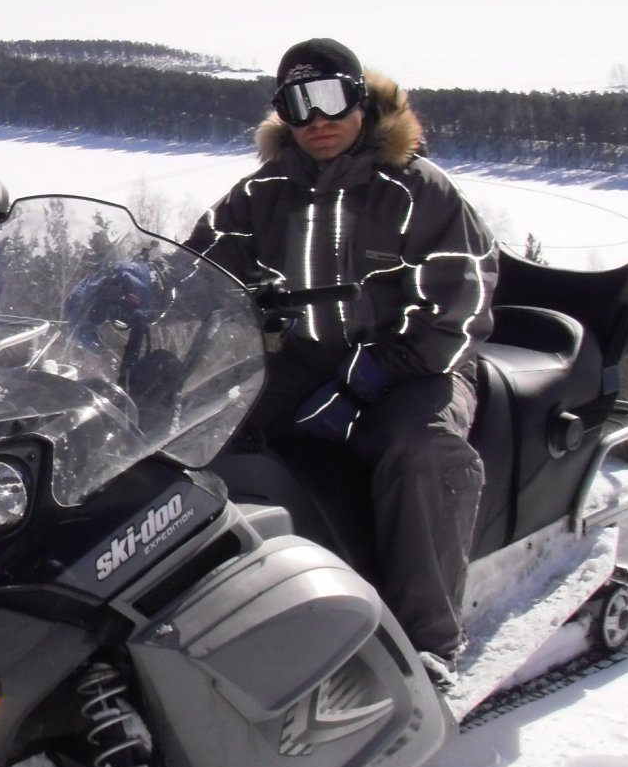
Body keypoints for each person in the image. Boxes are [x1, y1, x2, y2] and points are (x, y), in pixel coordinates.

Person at [187, 38, 497, 683]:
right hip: (304, 356)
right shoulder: (263, 191)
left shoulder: (415, 191)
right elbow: (198, 266)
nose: (317, 121)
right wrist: (134, 286)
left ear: (360, 99)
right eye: (298, 106)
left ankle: (429, 641)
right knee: (199, 431)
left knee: (421, 452)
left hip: (420, 364)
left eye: (330, 99)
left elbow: (458, 313)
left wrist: (365, 381)